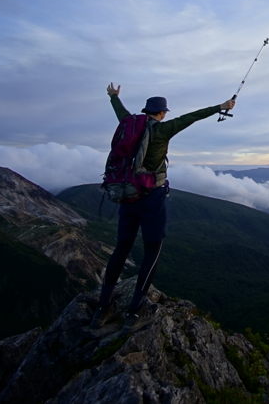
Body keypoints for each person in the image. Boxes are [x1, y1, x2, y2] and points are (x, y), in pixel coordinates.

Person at [90, 82, 235, 331]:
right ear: (162, 113)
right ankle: (134, 313)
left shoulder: (128, 122)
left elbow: (119, 110)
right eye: (165, 113)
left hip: (126, 195)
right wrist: (220, 107)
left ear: (146, 110)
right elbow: (192, 117)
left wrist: (113, 96)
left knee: (121, 249)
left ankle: (103, 308)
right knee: (152, 251)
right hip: (151, 197)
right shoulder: (163, 129)